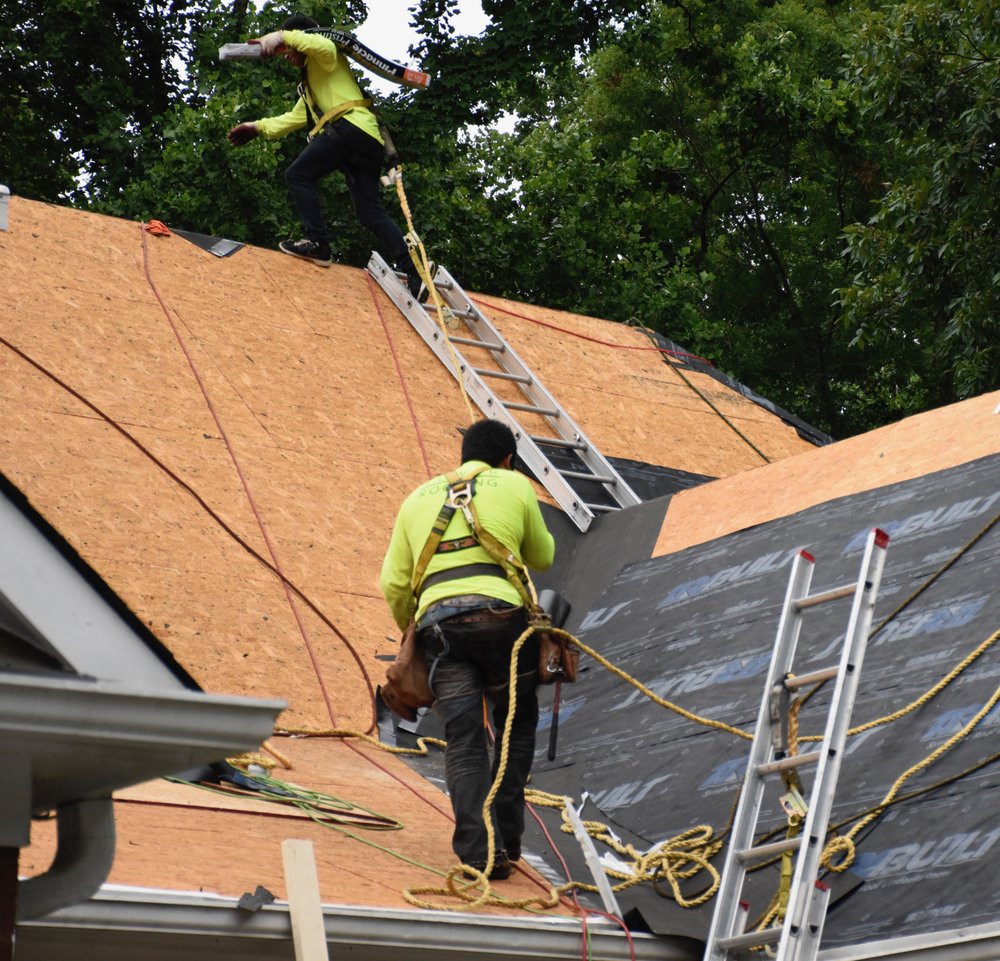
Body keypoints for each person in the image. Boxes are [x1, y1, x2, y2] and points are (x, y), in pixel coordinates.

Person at [380, 420, 556, 879]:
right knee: (514, 725)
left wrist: (414, 637)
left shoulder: (416, 498)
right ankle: (508, 842)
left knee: (463, 739)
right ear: (507, 459)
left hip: (441, 629)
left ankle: (477, 853)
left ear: (462, 456)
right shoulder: (514, 484)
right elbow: (544, 556)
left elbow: (394, 583)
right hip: (502, 622)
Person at [227, 14, 419, 292]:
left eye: (288, 51)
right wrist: (256, 127)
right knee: (370, 214)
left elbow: (324, 46)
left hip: (349, 129)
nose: (285, 56)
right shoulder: (310, 85)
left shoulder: (325, 56)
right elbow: (293, 119)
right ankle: (414, 272)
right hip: (366, 140)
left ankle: (318, 242)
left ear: (301, 42)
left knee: (297, 175)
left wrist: (282, 36)